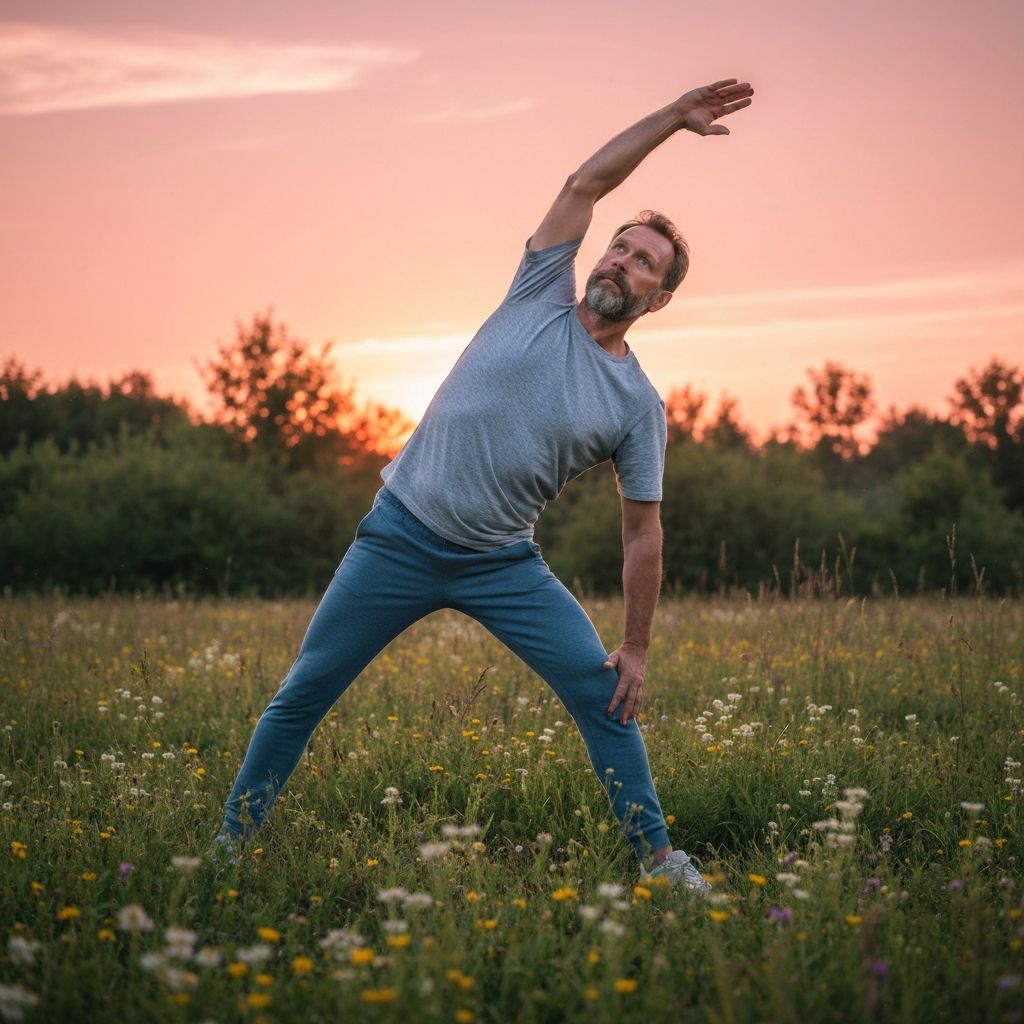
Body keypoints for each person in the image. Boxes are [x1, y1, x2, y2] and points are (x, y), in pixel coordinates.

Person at [214, 78, 755, 888]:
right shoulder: (538, 292)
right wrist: (674, 120)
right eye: (620, 246)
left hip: (501, 565)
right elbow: (584, 183)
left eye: (645, 263)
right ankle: (230, 844)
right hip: (398, 534)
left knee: (603, 692)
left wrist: (636, 646)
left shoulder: (637, 406)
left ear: (660, 296)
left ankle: (660, 860)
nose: (623, 262)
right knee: (304, 691)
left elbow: (644, 530)